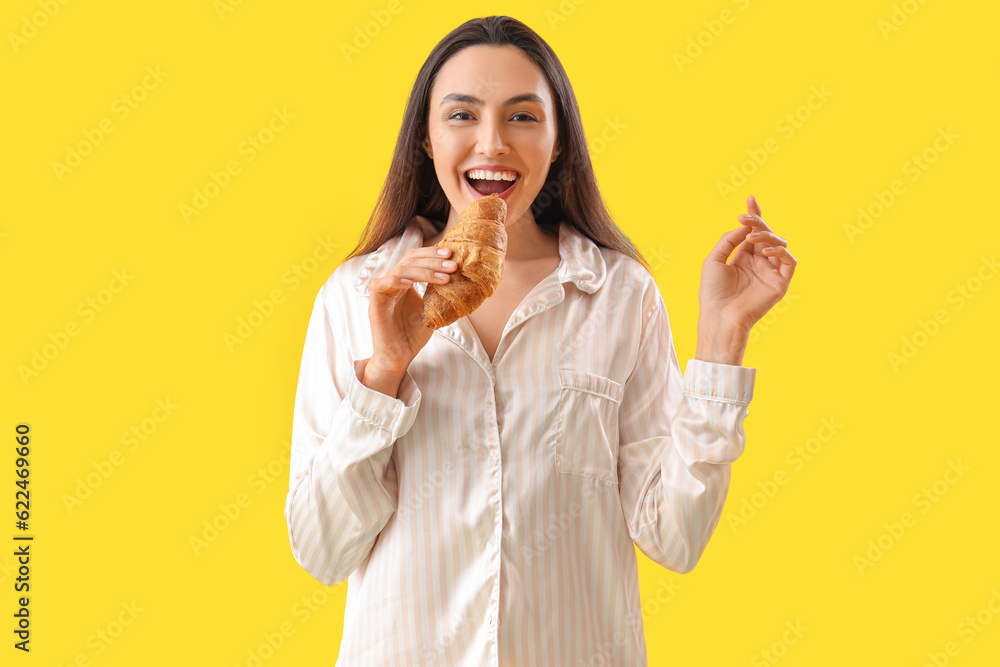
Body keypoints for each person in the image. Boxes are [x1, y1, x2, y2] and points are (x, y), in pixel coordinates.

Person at [284, 15, 796, 666]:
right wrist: (384, 372)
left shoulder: (618, 296)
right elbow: (322, 549)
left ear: (558, 143)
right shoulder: (357, 296)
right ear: (425, 139)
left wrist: (723, 339)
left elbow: (675, 534)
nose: (492, 143)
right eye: (462, 116)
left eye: (523, 117)